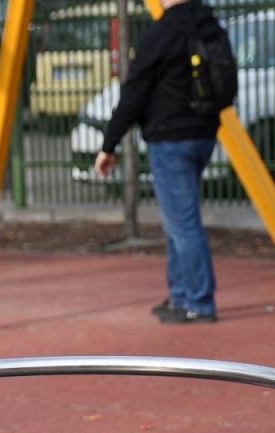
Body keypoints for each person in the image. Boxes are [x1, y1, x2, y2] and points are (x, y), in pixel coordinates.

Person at [95, 0, 226, 324]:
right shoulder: (210, 26)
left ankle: (199, 301)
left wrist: (109, 143)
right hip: (204, 134)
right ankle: (180, 294)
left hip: (170, 139)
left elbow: (134, 91)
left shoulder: (162, 33)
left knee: (183, 224)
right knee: (176, 220)